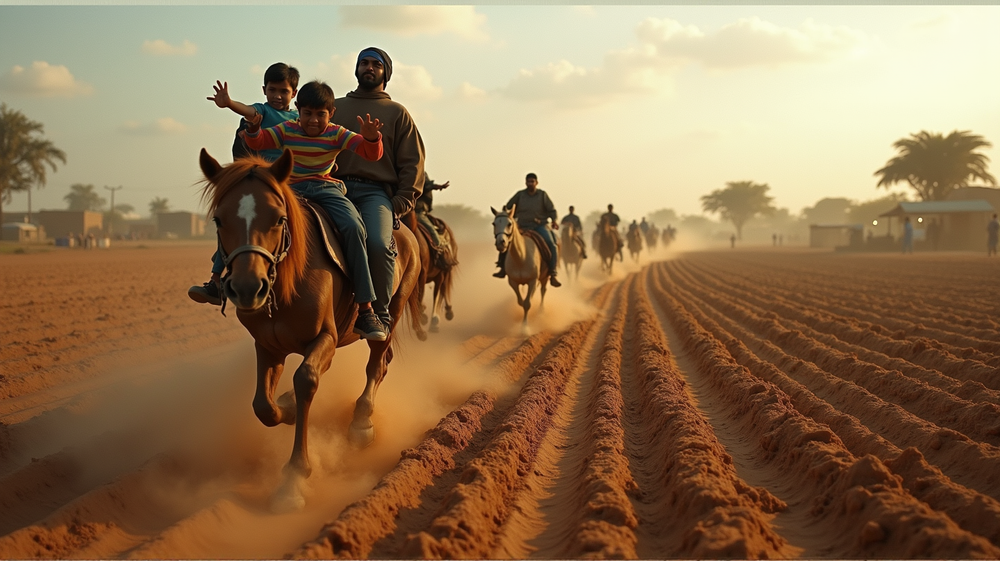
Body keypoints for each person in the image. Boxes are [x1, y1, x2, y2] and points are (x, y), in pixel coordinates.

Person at [219, 80, 389, 340]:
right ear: (298, 110)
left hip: (326, 188)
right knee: (249, 221)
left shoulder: (337, 133)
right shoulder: (287, 129)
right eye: (307, 113)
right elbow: (260, 142)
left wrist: (371, 137)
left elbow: (370, 153)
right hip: (291, 190)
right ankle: (220, 280)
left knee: (354, 226)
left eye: (320, 114)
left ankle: (365, 309)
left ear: (331, 113)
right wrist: (253, 129)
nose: (313, 120)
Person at [330, 47, 425, 332]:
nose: (369, 68)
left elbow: (412, 162)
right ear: (356, 69)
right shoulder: (334, 107)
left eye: (376, 64)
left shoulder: (398, 113)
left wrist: (400, 202)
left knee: (379, 244)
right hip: (332, 188)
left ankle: (379, 314)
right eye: (364, 63)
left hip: (375, 193)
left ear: (386, 73)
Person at [189, 63, 300, 307]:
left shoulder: (299, 119)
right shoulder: (262, 112)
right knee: (234, 223)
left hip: (291, 180)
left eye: (283, 91)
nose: (277, 96)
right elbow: (247, 110)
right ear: (264, 90)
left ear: (294, 93)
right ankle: (216, 281)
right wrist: (229, 103)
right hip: (263, 181)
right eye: (272, 90)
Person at [493, 173, 562, 287]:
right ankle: (502, 268)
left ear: (536, 183)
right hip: (522, 226)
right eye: (528, 182)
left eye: (532, 182)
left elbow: (552, 210)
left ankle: (553, 273)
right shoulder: (520, 195)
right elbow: (508, 206)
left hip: (540, 226)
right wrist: (506, 213)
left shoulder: (542, 195)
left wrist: (554, 220)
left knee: (552, 244)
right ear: (525, 182)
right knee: (505, 241)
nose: (530, 184)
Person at [415, 172, 452, 267]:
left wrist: (435, 186)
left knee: (432, 231)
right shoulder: (415, 170)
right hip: (412, 211)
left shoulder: (420, 172)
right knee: (432, 232)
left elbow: (425, 185)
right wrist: (436, 186)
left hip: (415, 210)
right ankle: (440, 254)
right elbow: (426, 186)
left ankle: (439, 254)